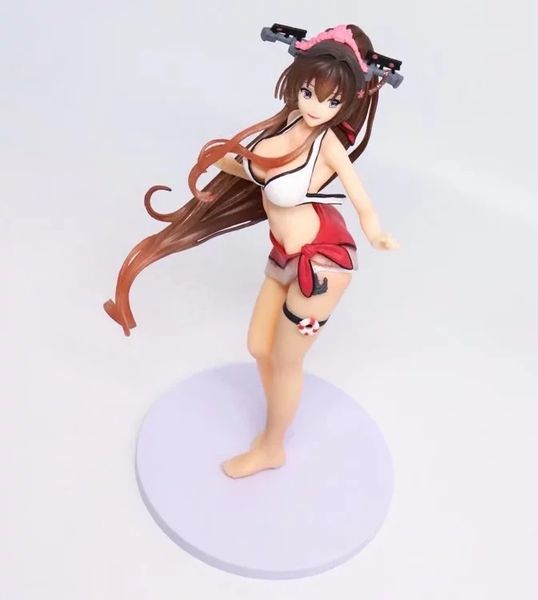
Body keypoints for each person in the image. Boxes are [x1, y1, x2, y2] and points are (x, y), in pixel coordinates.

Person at [104, 23, 401, 479]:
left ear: (348, 101)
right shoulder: (287, 124)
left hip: (320, 268)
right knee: (259, 346)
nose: (316, 106)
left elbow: (361, 200)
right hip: (284, 255)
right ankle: (275, 420)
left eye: (331, 101)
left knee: (286, 360)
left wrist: (376, 233)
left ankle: (272, 446)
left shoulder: (327, 144)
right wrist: (221, 158)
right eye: (309, 92)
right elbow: (258, 169)